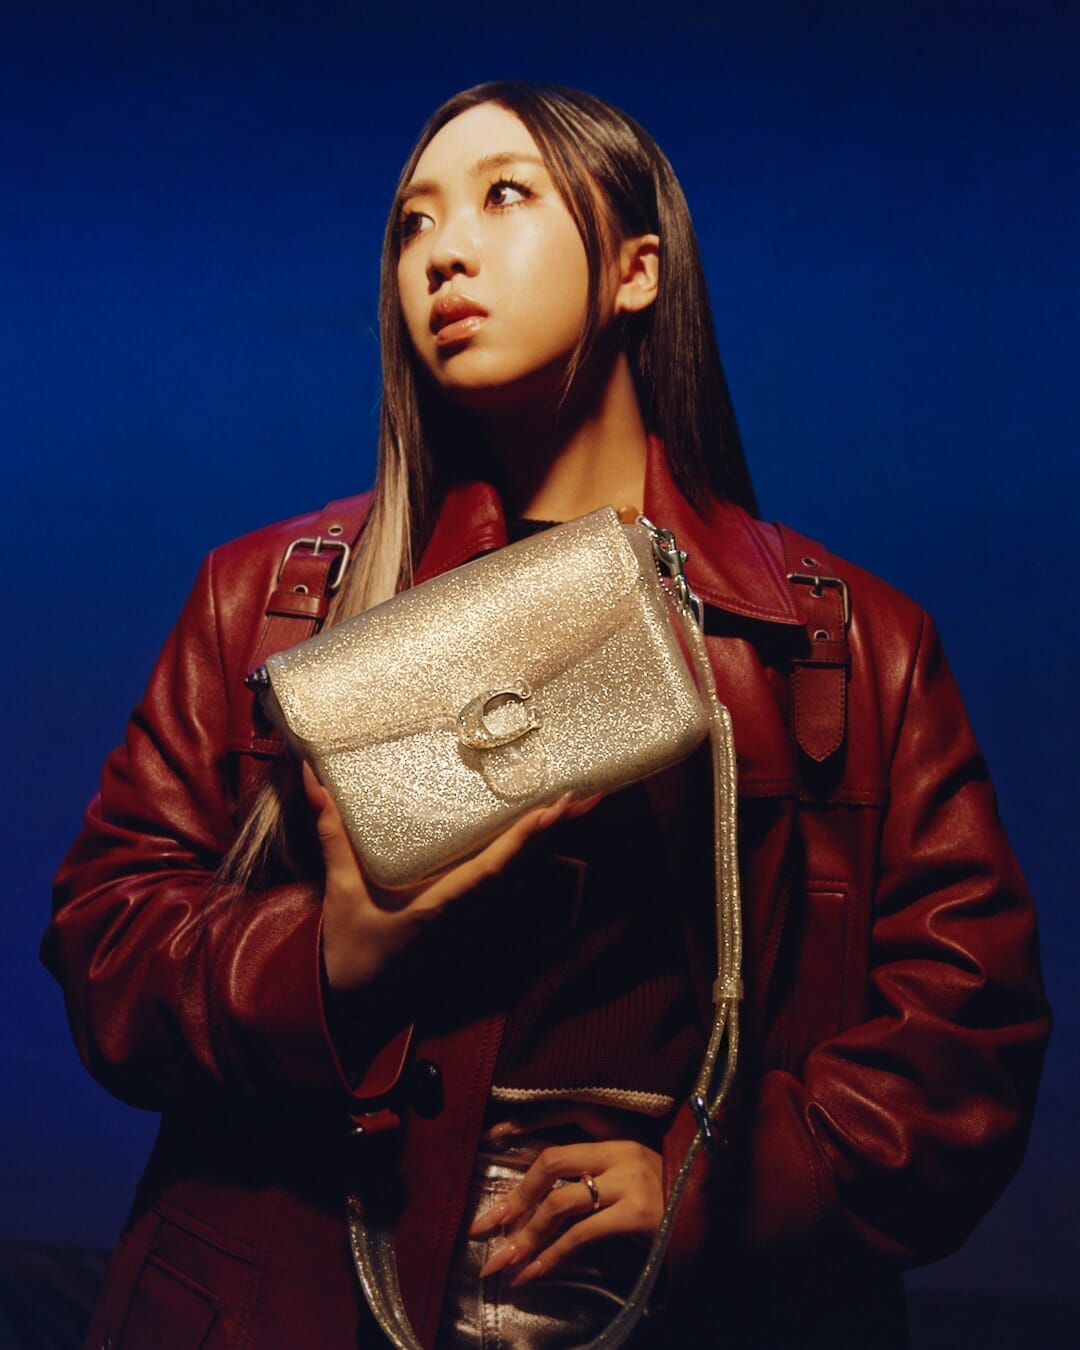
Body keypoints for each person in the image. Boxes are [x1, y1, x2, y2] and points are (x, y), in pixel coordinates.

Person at [44, 82, 1049, 1350]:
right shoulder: (267, 599)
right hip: (296, 1291)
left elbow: (968, 1035)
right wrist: (325, 958)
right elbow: (105, 942)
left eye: (503, 195)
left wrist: (712, 1185)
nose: (442, 253)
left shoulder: (852, 642)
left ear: (636, 270)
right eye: (413, 222)